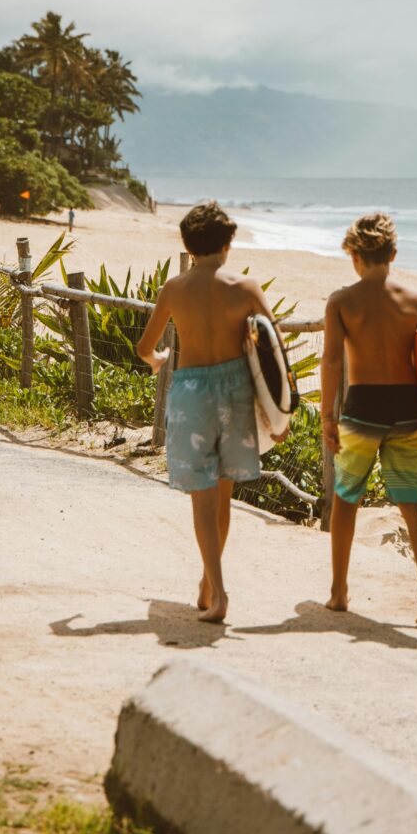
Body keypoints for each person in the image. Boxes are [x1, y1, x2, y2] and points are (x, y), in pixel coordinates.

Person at [137, 201, 285, 623]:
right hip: (236, 390)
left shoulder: (174, 289)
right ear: (229, 242)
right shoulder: (246, 288)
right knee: (222, 495)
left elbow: (145, 347)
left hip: (191, 392)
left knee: (201, 496)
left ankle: (216, 591)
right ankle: (208, 583)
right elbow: (275, 354)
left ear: (188, 244)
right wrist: (280, 417)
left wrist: (158, 357)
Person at [321, 212, 417, 626]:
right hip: (408, 408)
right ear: (393, 253)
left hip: (362, 408)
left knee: (346, 497)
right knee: (413, 500)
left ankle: (339, 591)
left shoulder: (342, 301)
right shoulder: (415, 301)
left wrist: (327, 416)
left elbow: (333, 361)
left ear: (354, 255)